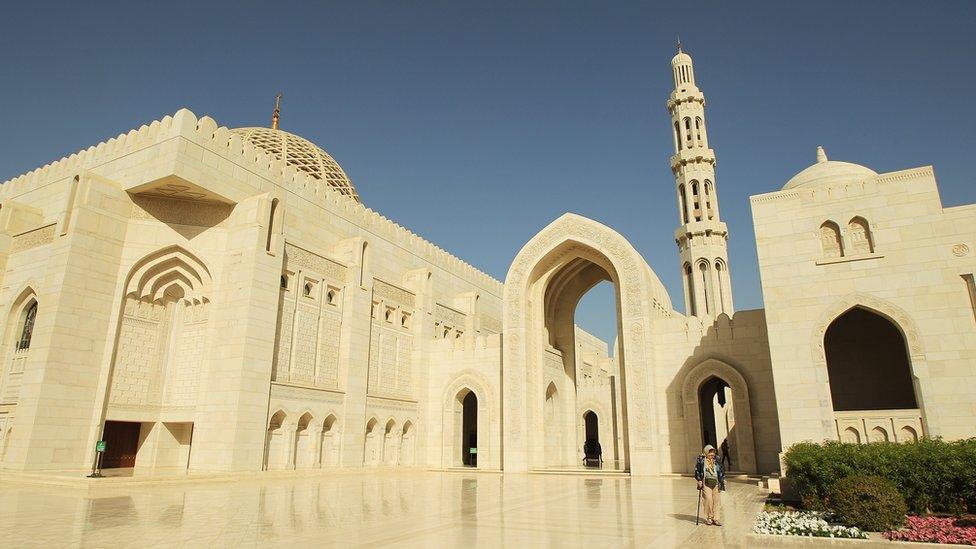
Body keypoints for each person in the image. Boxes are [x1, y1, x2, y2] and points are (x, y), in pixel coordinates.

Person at [694, 444, 726, 526]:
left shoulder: (717, 460)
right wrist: (699, 480)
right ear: (706, 452)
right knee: (708, 499)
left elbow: (722, 470)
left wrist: (722, 480)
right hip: (706, 482)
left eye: (713, 452)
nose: (712, 454)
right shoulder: (701, 460)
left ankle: (716, 518)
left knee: (716, 500)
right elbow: (697, 470)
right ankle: (709, 517)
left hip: (716, 482)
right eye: (710, 452)